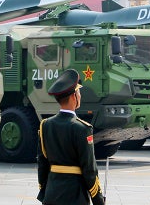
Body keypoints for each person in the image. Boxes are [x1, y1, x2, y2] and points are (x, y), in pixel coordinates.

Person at [37, 69, 105, 205]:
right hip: (75, 197)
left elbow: (42, 165)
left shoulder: (45, 125)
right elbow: (89, 170)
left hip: (51, 195)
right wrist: (98, 201)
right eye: (78, 92)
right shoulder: (82, 128)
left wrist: (45, 191)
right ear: (74, 96)